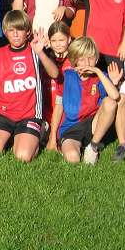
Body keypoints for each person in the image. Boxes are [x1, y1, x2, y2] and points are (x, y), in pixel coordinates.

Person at [0, 10, 59, 162]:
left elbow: (55, 74)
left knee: (23, 156)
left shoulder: (36, 50)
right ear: (5, 32)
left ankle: (38, 133)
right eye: (11, 30)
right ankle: (11, 136)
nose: (16, 34)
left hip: (30, 115)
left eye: (20, 29)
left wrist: (41, 53)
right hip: (3, 114)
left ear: (28, 31)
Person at [57, 37, 122, 164]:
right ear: (75, 60)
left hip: (93, 126)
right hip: (72, 128)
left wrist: (98, 71)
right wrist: (52, 136)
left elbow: (115, 96)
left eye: (90, 58)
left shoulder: (100, 77)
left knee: (110, 102)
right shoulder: (67, 76)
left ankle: (93, 146)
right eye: (82, 59)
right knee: (73, 158)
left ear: (96, 59)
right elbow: (58, 104)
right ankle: (76, 146)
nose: (87, 63)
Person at [44, 21, 73, 152]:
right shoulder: (45, 58)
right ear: (49, 41)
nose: (58, 44)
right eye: (54, 40)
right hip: (47, 111)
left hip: (65, 111)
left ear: (69, 39)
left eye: (61, 40)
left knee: (63, 139)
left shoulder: (74, 60)